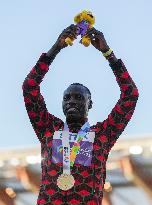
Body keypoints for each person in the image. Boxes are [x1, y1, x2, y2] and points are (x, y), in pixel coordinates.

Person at [22, 24, 139, 205]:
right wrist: (55, 49)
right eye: (67, 98)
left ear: (89, 104)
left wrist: (108, 53)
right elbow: (29, 88)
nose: (72, 101)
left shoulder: (102, 134)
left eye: (78, 97)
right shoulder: (48, 128)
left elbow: (130, 95)